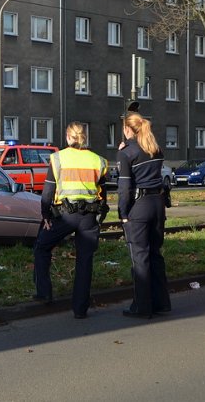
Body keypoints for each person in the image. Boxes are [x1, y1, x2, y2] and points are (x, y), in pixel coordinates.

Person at [33, 122, 109, 319]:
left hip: (65, 216)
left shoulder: (58, 158)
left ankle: (44, 293)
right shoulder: (98, 160)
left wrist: (46, 216)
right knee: (85, 261)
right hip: (89, 217)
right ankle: (80, 309)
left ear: (68, 137)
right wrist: (101, 217)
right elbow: (103, 194)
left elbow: (48, 191)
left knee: (42, 247)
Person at [117, 112, 171, 319]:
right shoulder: (155, 148)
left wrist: (123, 213)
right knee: (156, 254)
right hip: (158, 205)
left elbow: (124, 188)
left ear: (127, 129)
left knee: (140, 257)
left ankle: (142, 306)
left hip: (139, 208)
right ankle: (162, 303)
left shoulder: (127, 152)